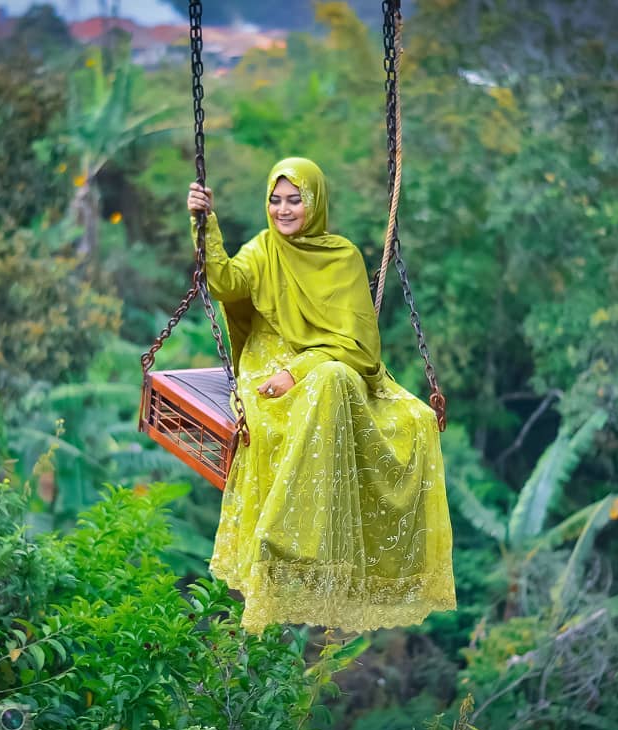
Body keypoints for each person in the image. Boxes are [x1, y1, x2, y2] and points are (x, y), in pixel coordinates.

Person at [186, 157, 456, 635]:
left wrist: (301, 371)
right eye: (275, 200)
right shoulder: (262, 251)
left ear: (315, 204)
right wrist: (204, 225)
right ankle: (279, 537)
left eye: (295, 200)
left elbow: (358, 347)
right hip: (269, 359)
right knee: (323, 385)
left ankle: (343, 552)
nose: (283, 210)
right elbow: (224, 282)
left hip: (333, 365)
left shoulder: (343, 257)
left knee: (404, 415)